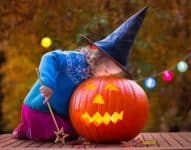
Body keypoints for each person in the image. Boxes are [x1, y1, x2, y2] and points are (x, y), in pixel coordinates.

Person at [12, 6, 148, 141]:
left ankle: (29, 129)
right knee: (61, 132)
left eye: (111, 73)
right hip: (40, 108)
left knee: (73, 132)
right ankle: (25, 130)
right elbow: (49, 57)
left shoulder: (93, 78)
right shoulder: (75, 59)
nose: (105, 75)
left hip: (60, 115)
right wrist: (48, 84)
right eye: (106, 69)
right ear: (97, 55)